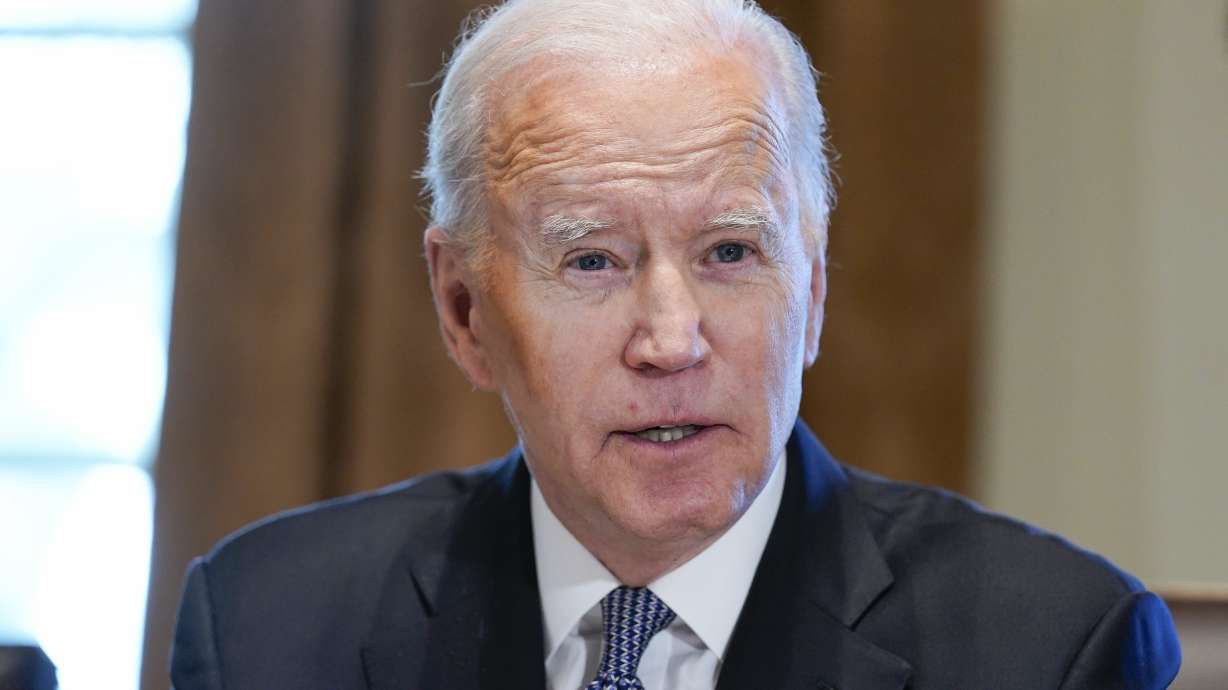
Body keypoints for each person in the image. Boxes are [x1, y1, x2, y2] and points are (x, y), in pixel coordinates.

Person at [169, 1, 1181, 688]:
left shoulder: (1051, 648)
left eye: (731, 251)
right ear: (463, 310)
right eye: (594, 262)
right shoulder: (269, 624)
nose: (670, 340)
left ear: (813, 287)